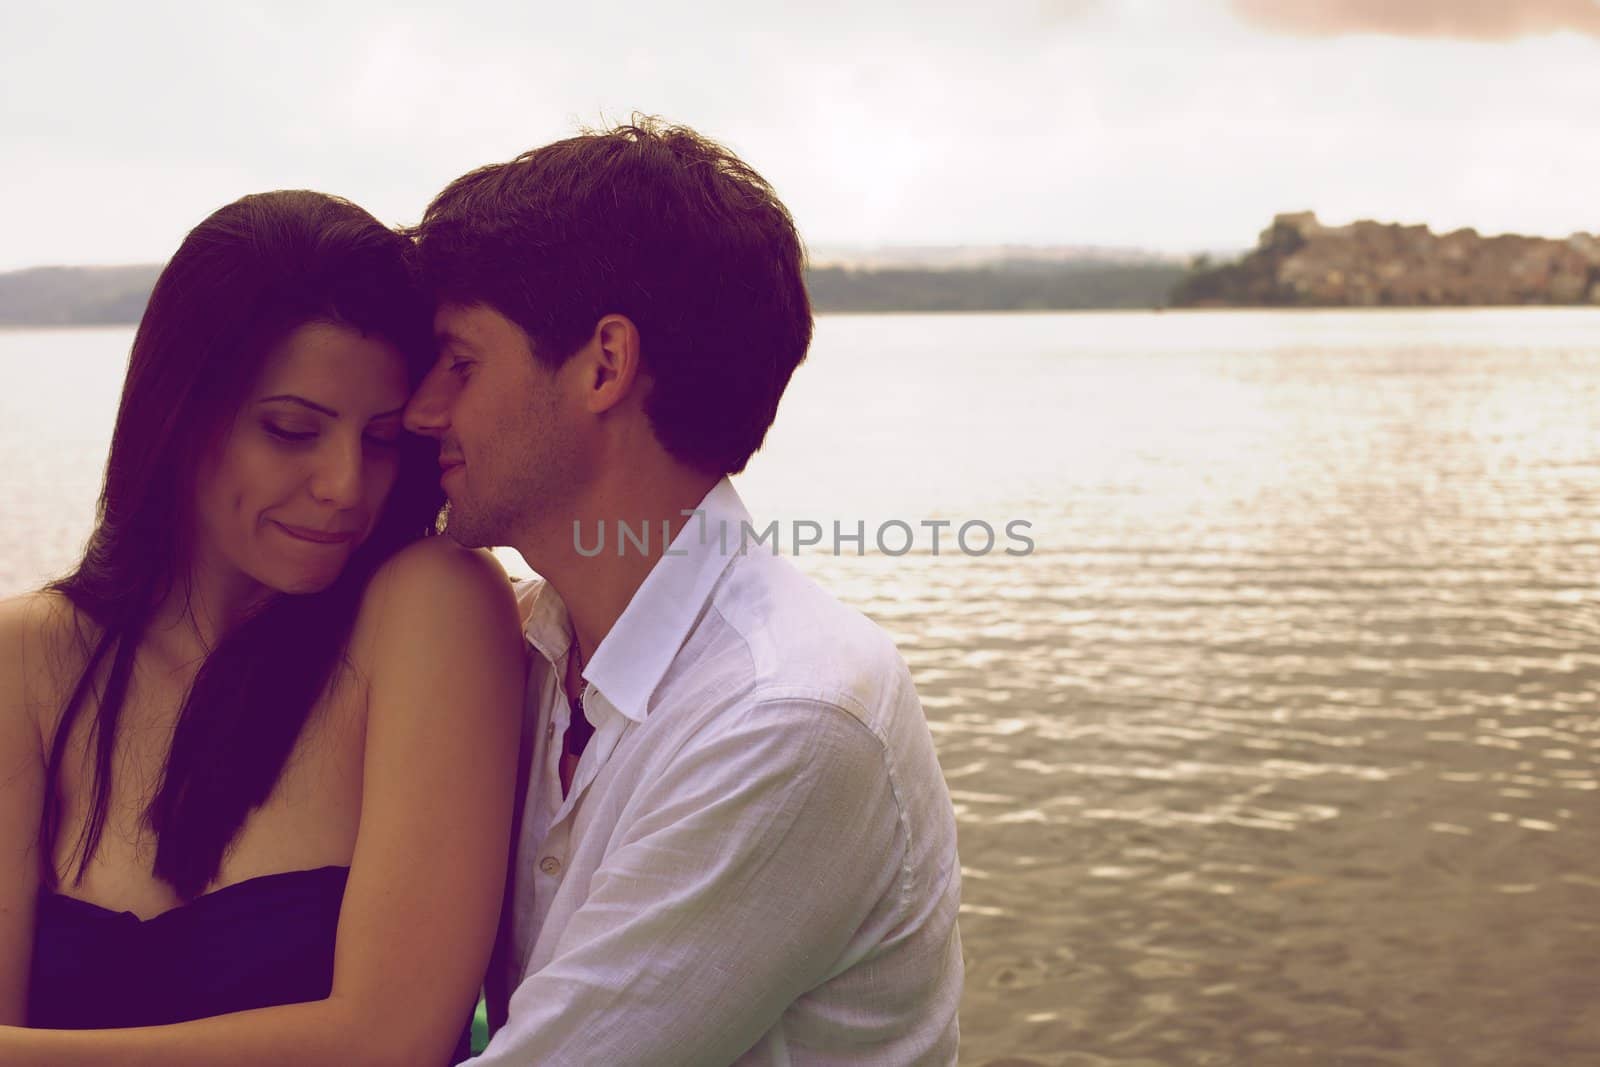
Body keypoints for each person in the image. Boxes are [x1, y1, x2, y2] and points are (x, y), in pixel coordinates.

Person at [404, 118, 963, 1066]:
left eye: (461, 364)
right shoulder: (533, 649)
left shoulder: (789, 713)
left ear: (604, 367)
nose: (422, 410)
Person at [0, 190, 525, 1065]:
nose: (346, 485)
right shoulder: (28, 658)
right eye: (291, 430)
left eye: (384, 438)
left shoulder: (432, 608)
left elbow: (389, 1040)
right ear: (180, 416)